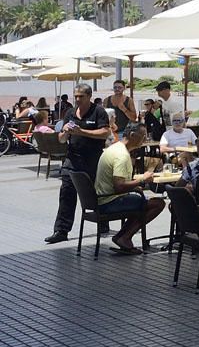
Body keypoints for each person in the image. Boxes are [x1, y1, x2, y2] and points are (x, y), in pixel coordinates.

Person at [46, 84, 111, 244]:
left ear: (89, 96)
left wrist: (82, 132)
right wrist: (66, 131)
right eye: (75, 96)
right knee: (66, 193)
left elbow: (105, 132)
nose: (77, 99)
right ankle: (61, 230)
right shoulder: (70, 112)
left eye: (81, 96)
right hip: (72, 159)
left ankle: (102, 222)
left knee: (95, 193)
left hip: (92, 159)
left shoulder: (98, 112)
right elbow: (61, 139)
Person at [92, 122, 166, 254]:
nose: (145, 139)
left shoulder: (115, 148)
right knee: (157, 204)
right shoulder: (122, 155)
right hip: (109, 201)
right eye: (143, 136)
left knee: (141, 201)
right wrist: (142, 180)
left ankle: (122, 236)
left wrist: (134, 186)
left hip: (102, 199)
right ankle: (125, 237)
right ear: (132, 135)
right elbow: (119, 186)